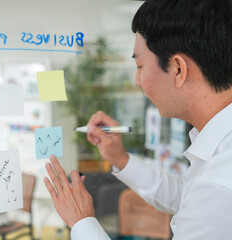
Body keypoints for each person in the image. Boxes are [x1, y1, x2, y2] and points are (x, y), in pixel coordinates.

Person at [44, 0, 232, 239]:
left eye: (140, 65)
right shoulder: (218, 165)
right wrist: (120, 159)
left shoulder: (219, 183)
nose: (137, 80)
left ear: (178, 69)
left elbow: (208, 194)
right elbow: (188, 196)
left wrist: (81, 222)